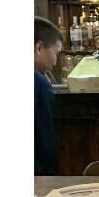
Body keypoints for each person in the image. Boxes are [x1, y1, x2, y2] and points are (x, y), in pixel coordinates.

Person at [34, 16, 62, 175]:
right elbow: (45, 141)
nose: (55, 61)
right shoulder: (38, 82)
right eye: (56, 53)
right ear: (39, 48)